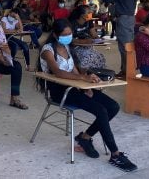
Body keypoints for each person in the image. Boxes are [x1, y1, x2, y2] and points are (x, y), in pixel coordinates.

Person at [39, 18, 137, 172]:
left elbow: (73, 70)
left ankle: (85, 137)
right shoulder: (47, 50)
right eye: (65, 34)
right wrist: (82, 79)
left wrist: (85, 87)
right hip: (60, 91)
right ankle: (115, 154)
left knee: (113, 106)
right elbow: (58, 72)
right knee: (101, 110)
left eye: (70, 33)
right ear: (55, 34)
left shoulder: (67, 46)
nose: (69, 36)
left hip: (74, 87)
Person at [97, 0, 140, 78]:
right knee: (128, 44)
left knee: (124, 46)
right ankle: (126, 70)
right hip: (130, 18)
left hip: (124, 18)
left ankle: (127, 71)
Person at [68, 5, 106, 71]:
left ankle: (97, 73)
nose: (90, 13)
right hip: (75, 48)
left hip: (87, 46)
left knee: (101, 57)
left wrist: (99, 39)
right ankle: (85, 74)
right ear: (82, 15)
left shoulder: (89, 21)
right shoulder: (72, 23)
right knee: (88, 57)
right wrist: (83, 41)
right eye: (88, 12)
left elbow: (94, 34)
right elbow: (70, 40)